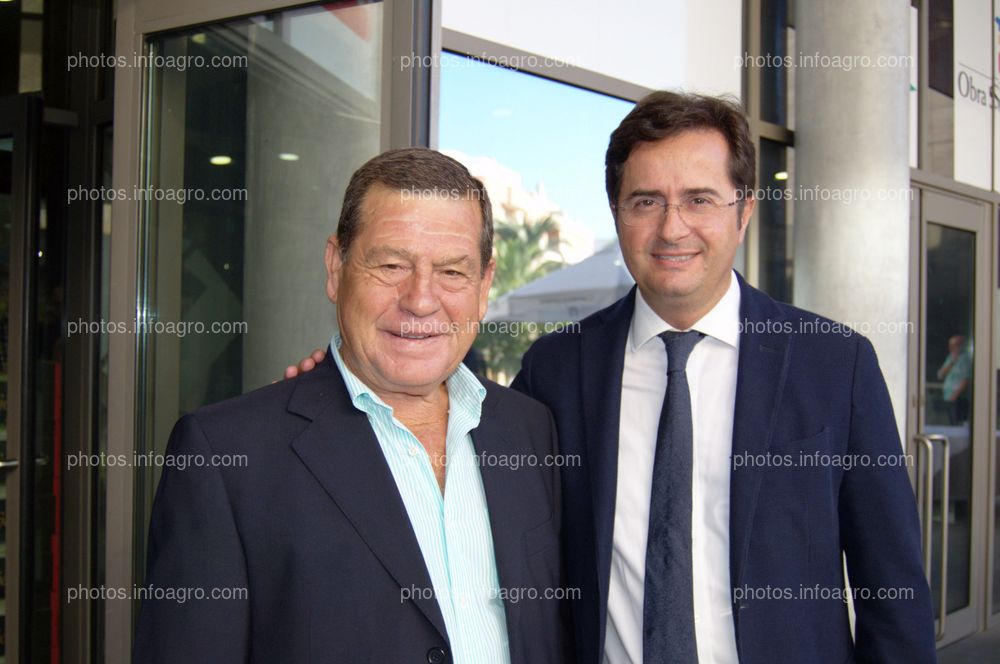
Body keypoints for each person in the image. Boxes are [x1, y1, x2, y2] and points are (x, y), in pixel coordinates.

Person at [289, 92, 937, 663]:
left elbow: (893, 591)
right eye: (645, 201)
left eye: (699, 200)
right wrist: (339, 383)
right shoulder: (558, 368)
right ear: (617, 212)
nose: (671, 227)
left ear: (743, 212)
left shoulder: (834, 364)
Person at [134, 148, 567, 663]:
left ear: (484, 285)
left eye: (452, 271)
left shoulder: (530, 429)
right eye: (390, 264)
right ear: (336, 268)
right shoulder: (226, 458)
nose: (421, 299)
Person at [937, 334, 971, 425]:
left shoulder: (965, 359)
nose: (951, 348)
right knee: (951, 421)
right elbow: (940, 375)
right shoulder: (950, 358)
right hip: (948, 396)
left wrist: (955, 395)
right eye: (950, 346)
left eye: (954, 345)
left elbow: (966, 379)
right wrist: (952, 362)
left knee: (957, 422)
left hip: (958, 397)